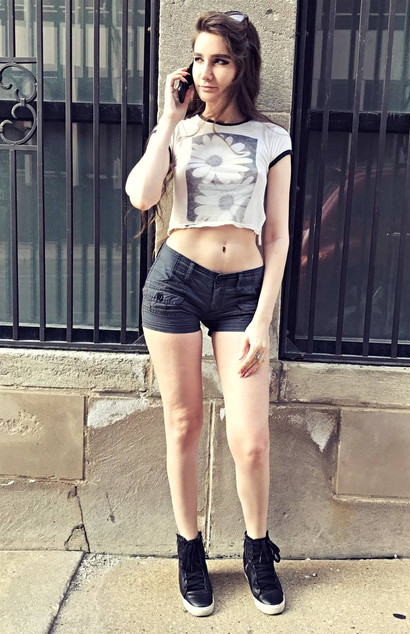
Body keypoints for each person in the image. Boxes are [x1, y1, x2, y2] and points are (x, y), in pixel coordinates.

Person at [125, 10, 292, 617]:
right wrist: (169, 120)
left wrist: (262, 320)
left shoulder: (272, 140)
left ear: (242, 66)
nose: (206, 71)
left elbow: (277, 236)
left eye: (220, 60)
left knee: (250, 440)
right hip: (177, 283)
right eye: (198, 58)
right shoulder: (181, 131)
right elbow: (142, 195)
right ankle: (189, 551)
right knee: (183, 423)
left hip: (244, 293)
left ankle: (256, 549)